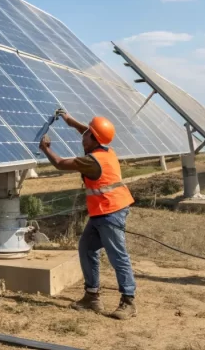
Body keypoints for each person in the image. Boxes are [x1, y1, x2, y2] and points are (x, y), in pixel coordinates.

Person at [38, 109, 137, 319]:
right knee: (87, 248)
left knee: (118, 256)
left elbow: (60, 164)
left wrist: (46, 148)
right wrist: (69, 120)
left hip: (110, 212)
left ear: (94, 139)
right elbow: (88, 131)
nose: (84, 136)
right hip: (104, 211)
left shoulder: (91, 161)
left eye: (87, 134)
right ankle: (92, 297)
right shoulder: (105, 150)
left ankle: (128, 301)